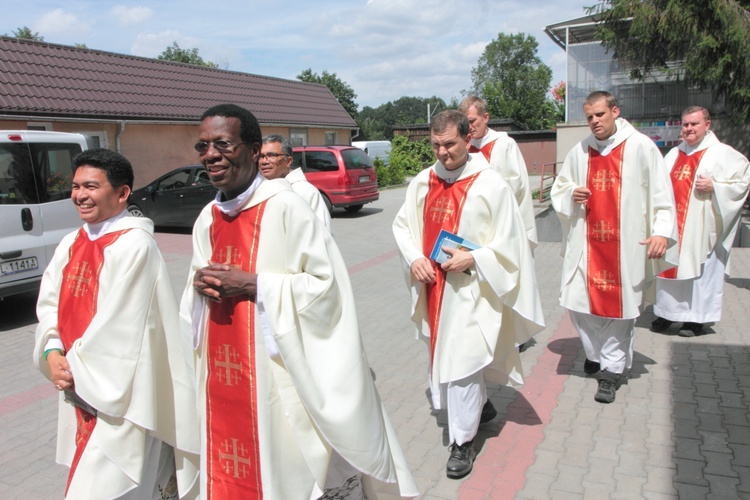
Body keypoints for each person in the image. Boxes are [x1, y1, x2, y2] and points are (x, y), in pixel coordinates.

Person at [180, 104, 417, 499]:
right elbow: (196, 278)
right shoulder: (208, 216)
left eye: (223, 144)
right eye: (202, 146)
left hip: (278, 366)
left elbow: (327, 286)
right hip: (226, 367)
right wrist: (199, 286)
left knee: (297, 463)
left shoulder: (287, 205)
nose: (210, 155)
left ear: (253, 149)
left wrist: (256, 284)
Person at [33, 149, 199, 499]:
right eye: (75, 186)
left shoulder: (134, 245)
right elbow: (49, 302)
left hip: (120, 395)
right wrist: (51, 349)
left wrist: (71, 365)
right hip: (78, 381)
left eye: (91, 186)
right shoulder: (72, 241)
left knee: (109, 487)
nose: (80, 195)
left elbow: (121, 329)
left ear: (122, 193)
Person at [392, 110, 544, 479]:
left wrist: (474, 257)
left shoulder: (490, 184)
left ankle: (462, 442)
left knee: (461, 363)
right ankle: (482, 407)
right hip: (434, 288)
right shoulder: (422, 182)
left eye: (450, 145)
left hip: (473, 289)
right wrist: (414, 258)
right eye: (436, 145)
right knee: (447, 357)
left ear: (468, 139)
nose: (442, 153)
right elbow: (402, 226)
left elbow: (511, 244)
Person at [551, 91, 677, 404]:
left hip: (626, 248)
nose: (594, 122)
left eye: (600, 115)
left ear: (615, 112)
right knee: (578, 303)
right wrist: (571, 195)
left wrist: (662, 232)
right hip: (587, 242)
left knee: (620, 312)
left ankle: (611, 372)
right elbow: (561, 187)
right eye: (589, 116)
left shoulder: (641, 147)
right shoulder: (582, 150)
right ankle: (597, 353)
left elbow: (662, 193)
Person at [651, 106, 750, 337]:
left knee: (701, 274)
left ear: (707, 125)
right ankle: (666, 314)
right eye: (685, 124)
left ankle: (696, 321)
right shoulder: (674, 154)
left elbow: (743, 183)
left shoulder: (723, 153)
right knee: (670, 269)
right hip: (675, 227)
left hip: (704, 228)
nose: (689, 128)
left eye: (694, 124)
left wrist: (716, 187)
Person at [458, 96, 537, 248]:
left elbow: (516, 184)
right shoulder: (464, 147)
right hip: (472, 221)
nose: (469, 127)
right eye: (465, 122)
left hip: (501, 219)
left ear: (485, 117)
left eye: (472, 121)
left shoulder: (505, 144)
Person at [259, 134, 333, 232]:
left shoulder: (305, 192)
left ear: (288, 161)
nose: (264, 161)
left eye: (272, 155)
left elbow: (323, 235)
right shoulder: (258, 191)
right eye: (261, 156)